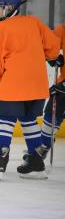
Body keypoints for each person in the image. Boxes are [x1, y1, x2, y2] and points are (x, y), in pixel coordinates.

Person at [0, 0, 60, 178]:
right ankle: (35, 163)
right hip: (37, 86)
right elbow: (53, 48)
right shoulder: (35, 22)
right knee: (29, 121)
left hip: (12, 86)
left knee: (5, 121)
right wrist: (51, 56)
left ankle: (1, 159)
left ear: (10, 7)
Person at [40, 22, 65, 156]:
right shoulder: (63, 29)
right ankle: (43, 147)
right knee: (51, 112)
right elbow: (48, 43)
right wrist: (52, 57)